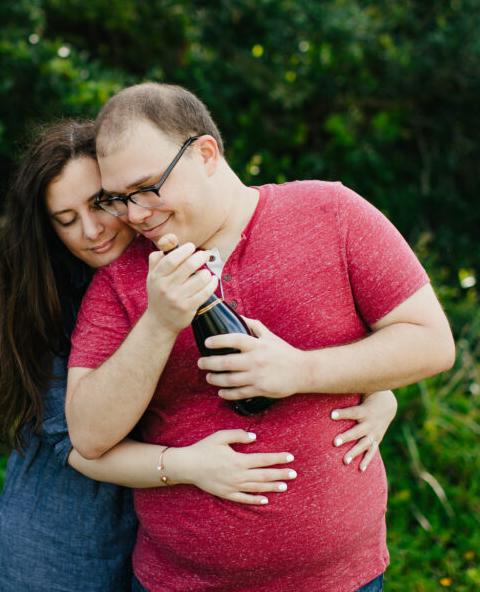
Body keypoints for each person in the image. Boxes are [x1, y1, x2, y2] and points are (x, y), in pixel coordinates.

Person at [0, 120, 398, 592]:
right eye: (66, 219)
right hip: (73, 524)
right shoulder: (57, 301)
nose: (91, 231)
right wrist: (187, 465)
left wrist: (375, 388)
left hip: (159, 536)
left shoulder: (178, 251)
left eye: (101, 203)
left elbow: (306, 324)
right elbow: (79, 445)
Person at [65, 83, 456, 591]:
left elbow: (432, 343)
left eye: (147, 188)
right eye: (120, 198)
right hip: (178, 582)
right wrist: (159, 322)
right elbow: (89, 436)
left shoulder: (330, 211)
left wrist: (301, 370)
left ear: (205, 153)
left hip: (341, 580)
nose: (135, 214)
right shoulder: (121, 278)